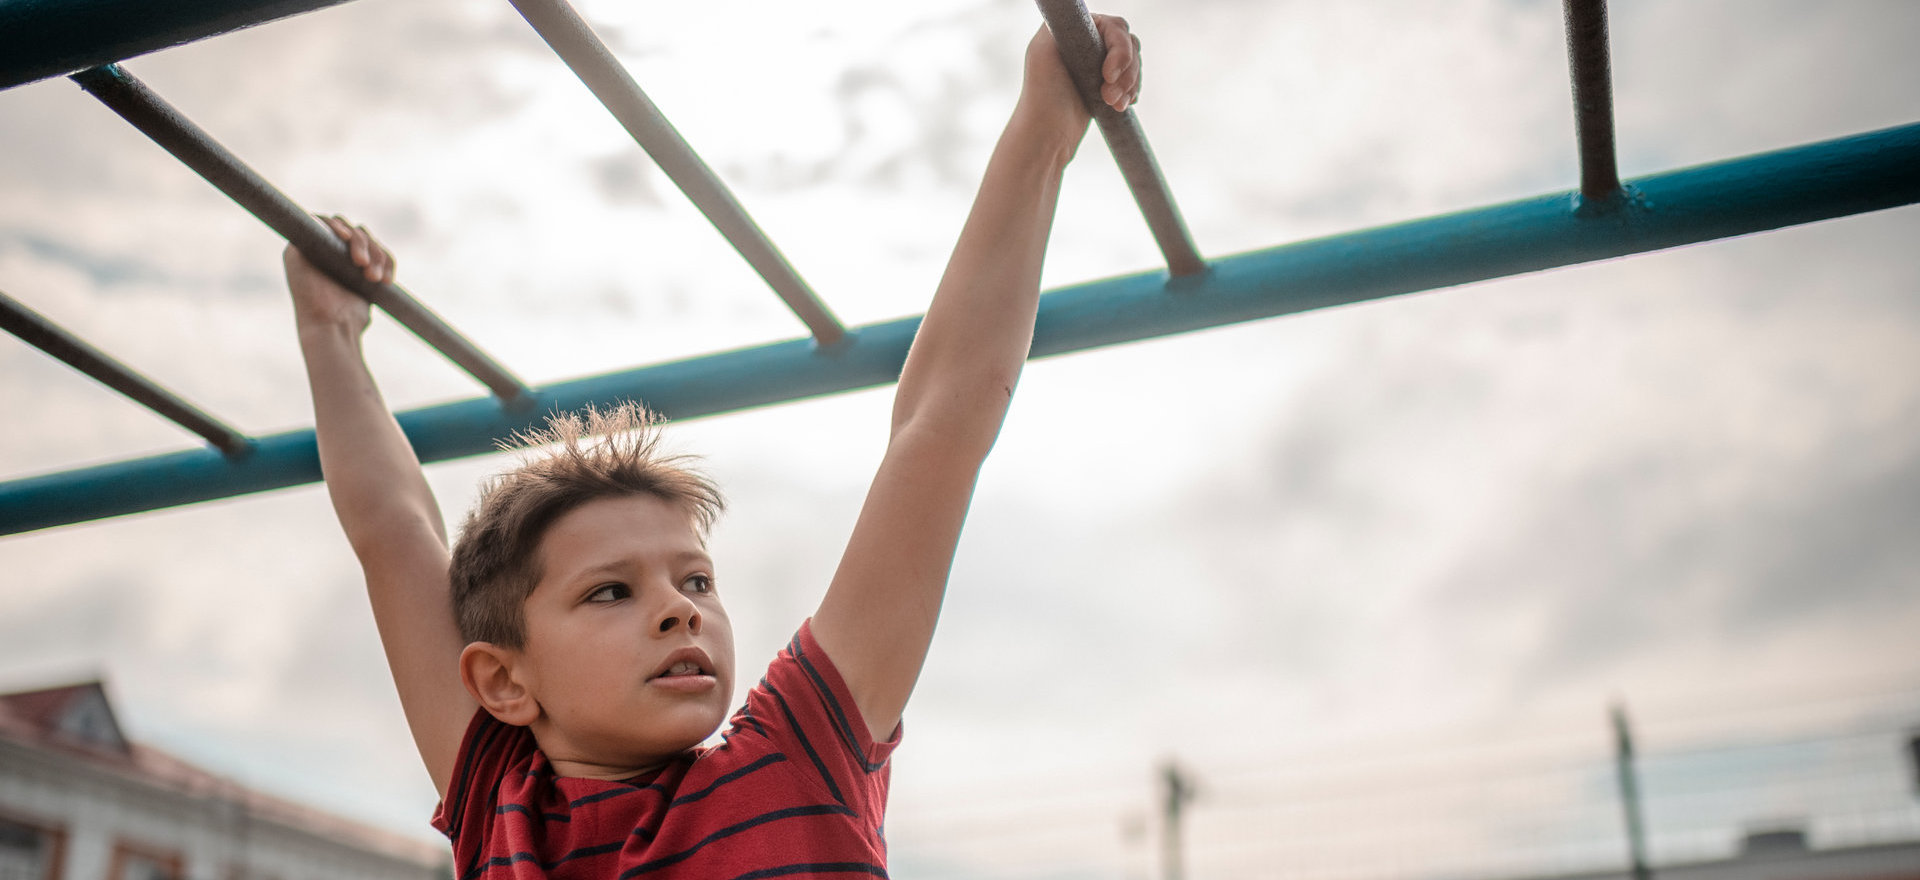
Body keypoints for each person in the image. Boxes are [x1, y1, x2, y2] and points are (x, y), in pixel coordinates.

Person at [283, 13, 1142, 878]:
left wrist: (1042, 128)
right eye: (612, 591)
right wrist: (327, 333)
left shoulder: (793, 761)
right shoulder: (502, 801)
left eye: (695, 580)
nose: (679, 609)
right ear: (506, 683)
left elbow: (941, 428)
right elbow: (393, 531)